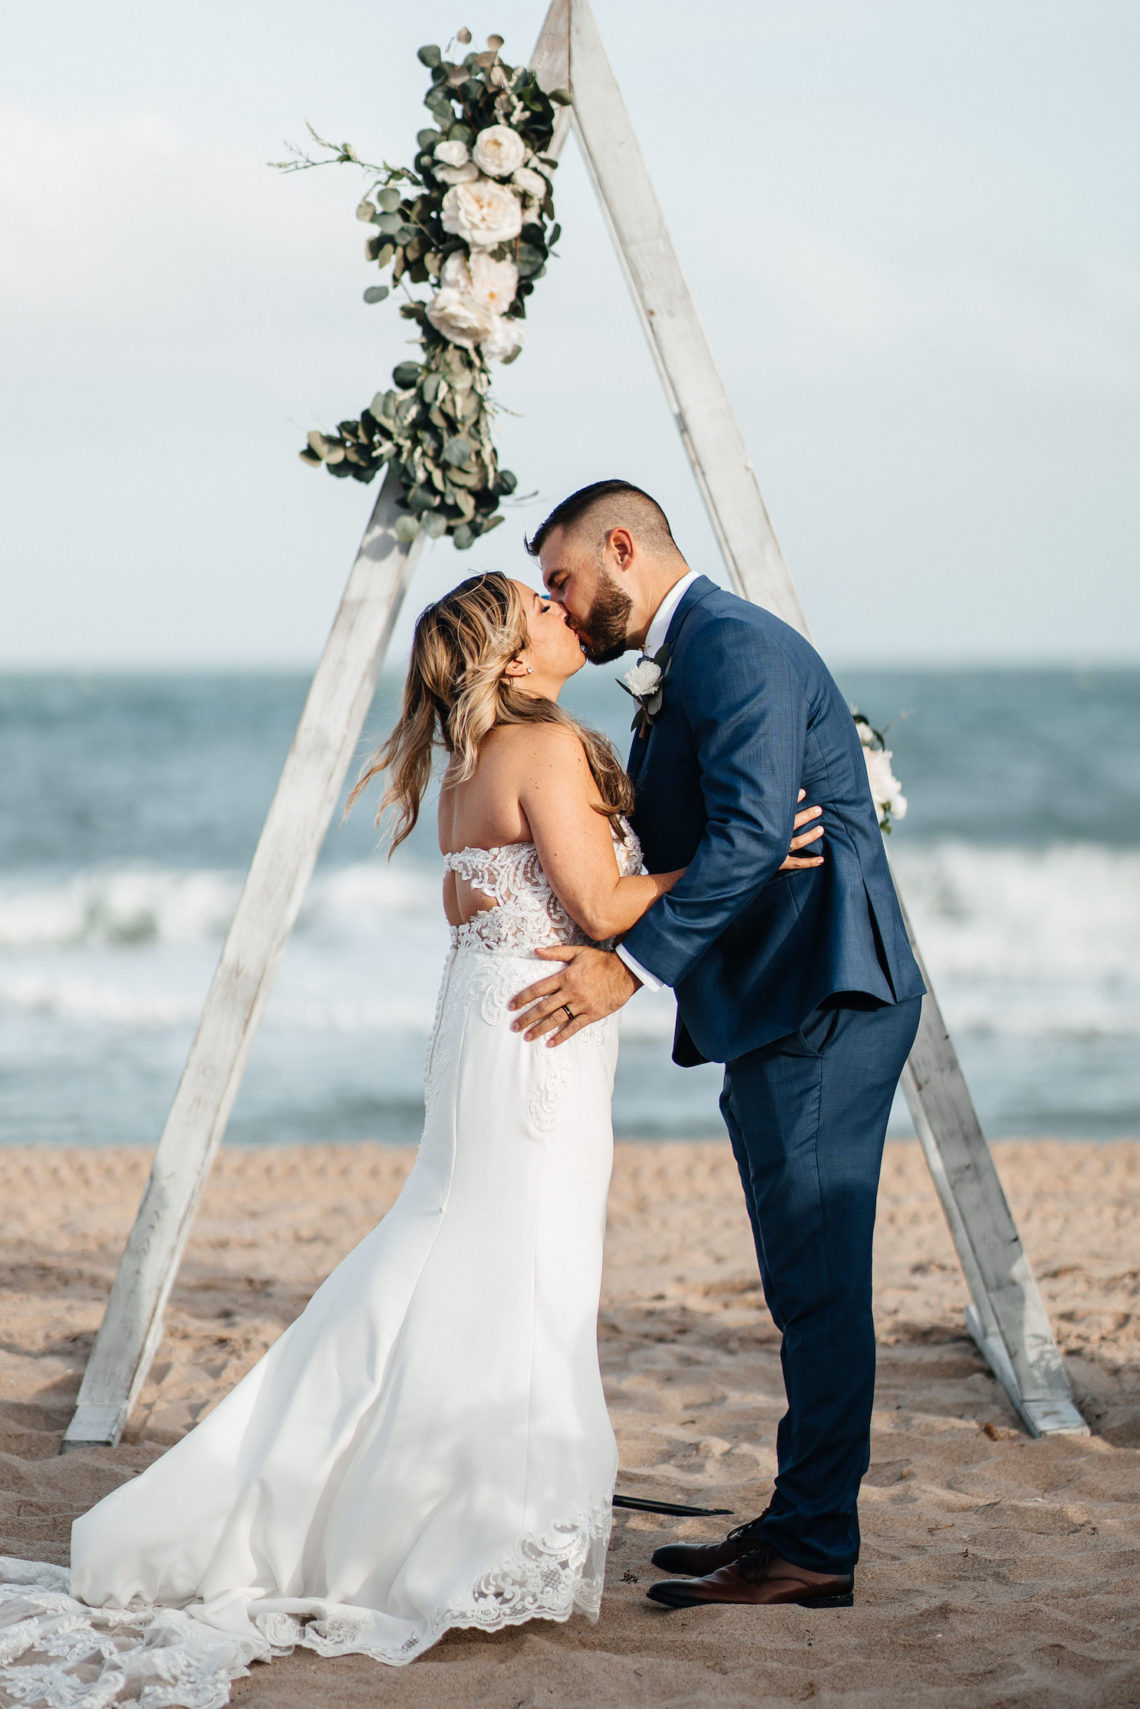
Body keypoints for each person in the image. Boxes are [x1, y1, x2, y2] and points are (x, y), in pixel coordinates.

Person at [0, 571, 822, 1703]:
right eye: (539, 606)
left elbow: (477, 903)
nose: (559, 611)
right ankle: (466, 1526)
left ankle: (402, 1499)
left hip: (494, 1021)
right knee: (519, 1261)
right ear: (510, 651)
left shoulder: (469, 763)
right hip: (537, 1032)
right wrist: (753, 847)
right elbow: (604, 908)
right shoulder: (537, 751)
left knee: (460, 1247)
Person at [509, 480, 926, 1612]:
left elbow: (751, 835)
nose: (560, 602)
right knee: (805, 1280)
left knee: (821, 1279)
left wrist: (629, 968)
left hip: (821, 999)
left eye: (563, 580)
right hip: (779, 998)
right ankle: (799, 1521)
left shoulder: (730, 647)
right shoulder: (694, 657)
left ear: (624, 549)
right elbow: (727, 832)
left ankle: (814, 1547)